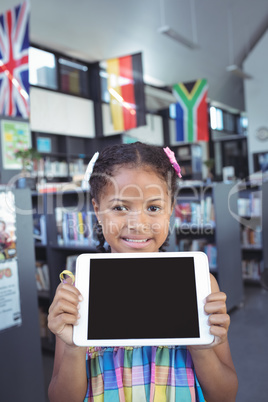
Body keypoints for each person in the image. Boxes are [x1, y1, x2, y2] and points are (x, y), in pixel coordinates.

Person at [48, 142, 238, 402]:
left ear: (170, 209)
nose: (137, 224)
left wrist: (202, 345)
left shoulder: (200, 284)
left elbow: (225, 396)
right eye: (119, 208)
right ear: (97, 210)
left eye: (153, 208)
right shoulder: (78, 292)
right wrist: (72, 346)